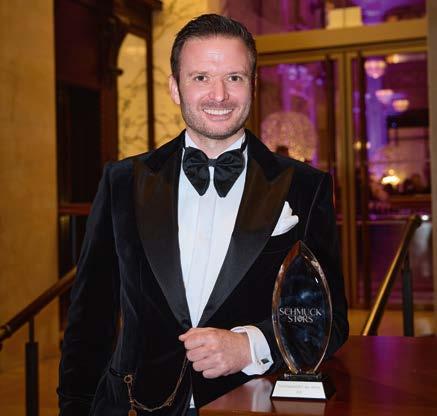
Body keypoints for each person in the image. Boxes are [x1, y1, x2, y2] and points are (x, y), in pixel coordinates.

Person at [58, 14, 348, 416]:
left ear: (253, 84)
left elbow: (329, 319)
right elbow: (90, 318)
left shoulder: (305, 186)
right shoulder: (122, 181)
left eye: (234, 77)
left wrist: (251, 345)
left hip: (250, 403)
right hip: (135, 403)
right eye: (200, 78)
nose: (219, 95)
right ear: (174, 88)